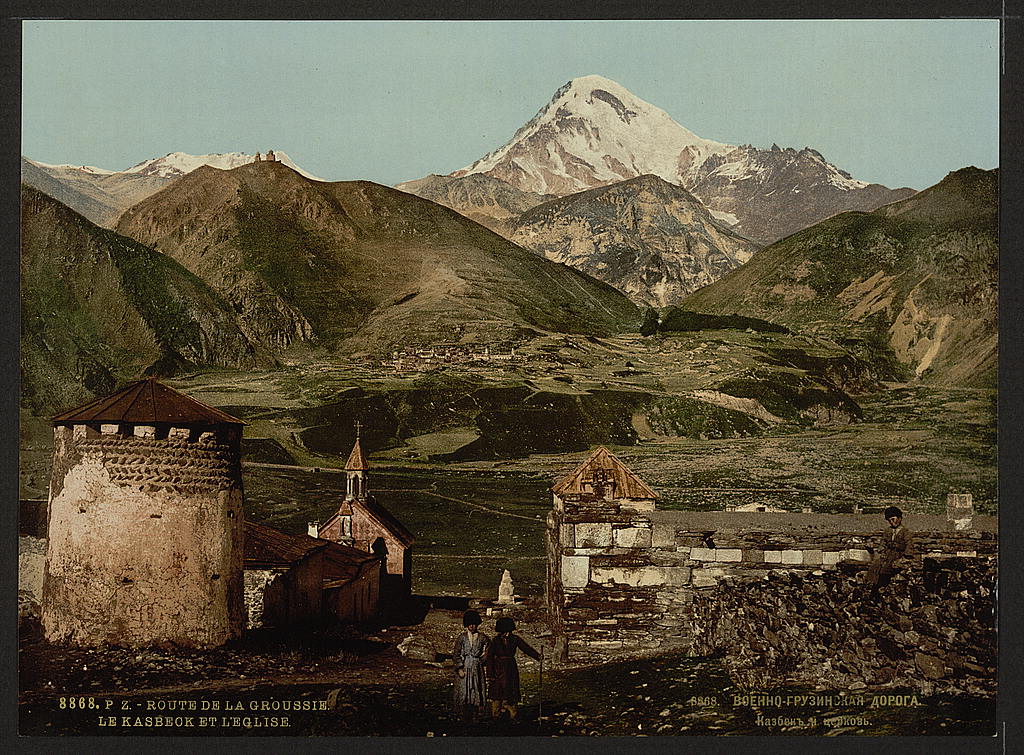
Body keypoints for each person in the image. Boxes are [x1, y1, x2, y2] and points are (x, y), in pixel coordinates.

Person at [485, 616, 541, 722]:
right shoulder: (495, 641)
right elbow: (489, 658)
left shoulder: (515, 639)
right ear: (501, 631)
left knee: (512, 691)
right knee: (497, 693)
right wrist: (490, 674)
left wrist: (537, 656)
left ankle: (513, 714)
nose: (507, 634)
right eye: (505, 632)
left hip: (510, 668)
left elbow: (525, 648)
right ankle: (495, 715)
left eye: (509, 631)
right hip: (498, 669)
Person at [864, 506, 912, 597]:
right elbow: (883, 542)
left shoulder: (905, 532)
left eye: (893, 519)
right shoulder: (887, 531)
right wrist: (881, 550)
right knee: (875, 565)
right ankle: (871, 588)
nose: (892, 522)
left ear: (900, 518)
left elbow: (909, 545)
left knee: (885, 570)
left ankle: (880, 590)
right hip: (887, 554)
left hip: (898, 555)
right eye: (889, 520)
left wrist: (905, 557)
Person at [452, 610, 489, 721]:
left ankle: (475, 715)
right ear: (466, 625)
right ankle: (464, 715)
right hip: (464, 667)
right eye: (470, 624)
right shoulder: (462, 638)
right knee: (464, 690)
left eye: (474, 624)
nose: (472, 626)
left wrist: (481, 661)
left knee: (476, 689)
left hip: (477, 667)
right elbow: (456, 653)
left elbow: (488, 651)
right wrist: (459, 668)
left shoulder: (483, 638)